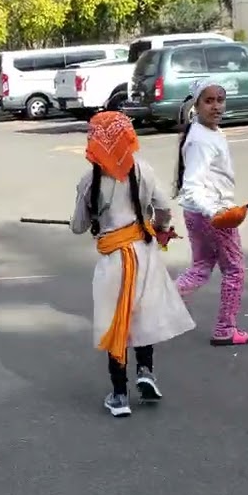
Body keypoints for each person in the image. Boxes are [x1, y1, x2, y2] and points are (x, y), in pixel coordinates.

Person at [69, 112, 195, 418]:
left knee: (118, 324)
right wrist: (158, 227)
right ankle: (146, 372)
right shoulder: (144, 170)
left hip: (113, 260)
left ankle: (119, 394)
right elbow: (164, 208)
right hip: (144, 255)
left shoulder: (90, 181)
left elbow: (77, 226)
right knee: (141, 315)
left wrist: (94, 215)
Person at [174, 80, 248, 347]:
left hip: (199, 213)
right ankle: (225, 329)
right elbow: (192, 186)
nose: (217, 106)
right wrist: (217, 212)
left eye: (220, 99)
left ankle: (160, 308)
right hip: (213, 215)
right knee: (235, 271)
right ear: (195, 105)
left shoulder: (207, 132)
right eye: (209, 101)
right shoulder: (200, 140)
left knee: (200, 268)